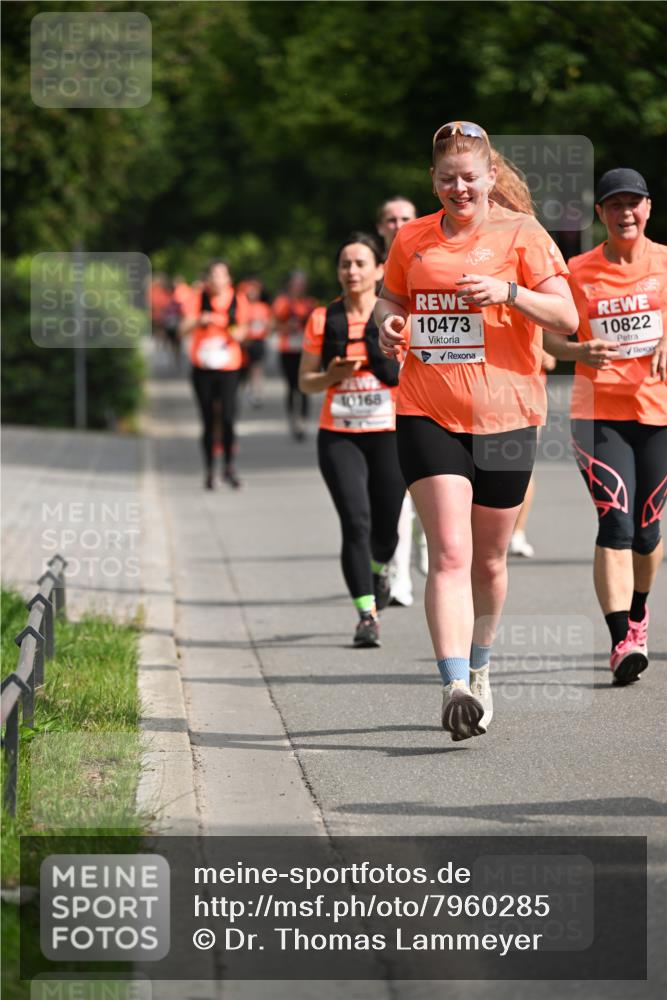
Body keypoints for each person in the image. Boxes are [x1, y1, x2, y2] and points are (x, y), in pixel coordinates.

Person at [376, 120, 578, 739]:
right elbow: (391, 301)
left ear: (491, 177)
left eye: (469, 177)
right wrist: (387, 324)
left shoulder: (522, 234)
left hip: (508, 416)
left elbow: (568, 318)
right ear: (432, 181)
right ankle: (454, 682)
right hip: (426, 409)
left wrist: (508, 291)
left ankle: (482, 667)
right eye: (446, 180)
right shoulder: (411, 238)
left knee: (489, 561)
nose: (458, 189)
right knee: (451, 553)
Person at [543, 168, 667, 685]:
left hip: (659, 412)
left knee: (647, 530)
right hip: (598, 414)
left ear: (647, 208)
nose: (625, 214)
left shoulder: (665, 262)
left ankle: (638, 615)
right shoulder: (577, 271)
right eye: (614, 206)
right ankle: (621, 640)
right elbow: (549, 341)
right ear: (601, 214)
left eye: (633, 204)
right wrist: (579, 350)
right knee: (615, 521)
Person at [299, 233, 405, 648]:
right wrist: (332, 376)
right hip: (339, 436)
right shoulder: (323, 319)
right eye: (345, 264)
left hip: (389, 434)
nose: (352, 271)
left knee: (387, 532)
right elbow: (306, 382)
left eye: (361, 263)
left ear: (380, 270)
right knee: (355, 523)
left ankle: (380, 570)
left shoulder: (397, 317)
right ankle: (366, 615)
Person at [376, 196, 420, 607]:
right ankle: (399, 576)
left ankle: (425, 550)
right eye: (390, 219)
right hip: (385, 404)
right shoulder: (371, 273)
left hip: (433, 395)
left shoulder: (432, 259)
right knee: (400, 498)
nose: (397, 224)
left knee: (426, 502)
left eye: (405, 218)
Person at [179, 259, 249, 490]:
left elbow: (243, 330)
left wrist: (235, 332)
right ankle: (210, 470)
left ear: (228, 279)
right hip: (203, 368)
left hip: (229, 367)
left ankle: (229, 467)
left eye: (222, 275)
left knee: (228, 418)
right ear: (208, 279)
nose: (217, 280)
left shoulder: (237, 299)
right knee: (208, 420)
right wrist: (200, 320)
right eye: (213, 275)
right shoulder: (197, 298)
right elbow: (182, 329)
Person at [508, 348, 557, 557]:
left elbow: (552, 360)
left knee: (522, 466)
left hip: (526, 396)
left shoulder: (534, 316)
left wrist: (545, 355)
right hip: (482, 390)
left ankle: (517, 533)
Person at [273, 272, 317, 440]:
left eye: (301, 283)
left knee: (304, 385)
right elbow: (274, 325)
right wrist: (287, 327)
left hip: (305, 349)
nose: (298, 287)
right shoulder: (282, 302)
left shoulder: (309, 303)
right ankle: (293, 418)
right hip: (287, 348)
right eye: (295, 283)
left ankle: (303, 420)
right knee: (292, 386)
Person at [238, 278, 272, 407]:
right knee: (243, 370)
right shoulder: (243, 305)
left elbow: (269, 324)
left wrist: (266, 326)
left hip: (258, 341)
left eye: (256, 291)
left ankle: (257, 393)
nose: (253, 293)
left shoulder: (263, 307)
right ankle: (242, 392)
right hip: (245, 341)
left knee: (257, 368)